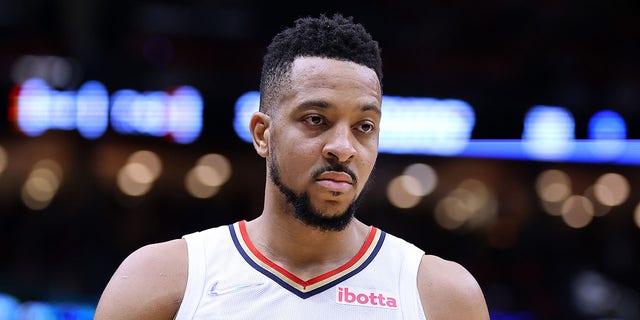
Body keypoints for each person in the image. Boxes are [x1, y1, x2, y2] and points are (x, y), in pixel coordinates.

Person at [94, 13, 490, 319]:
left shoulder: (442, 295)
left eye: (364, 127)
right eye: (316, 120)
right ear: (262, 134)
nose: (342, 148)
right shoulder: (159, 279)